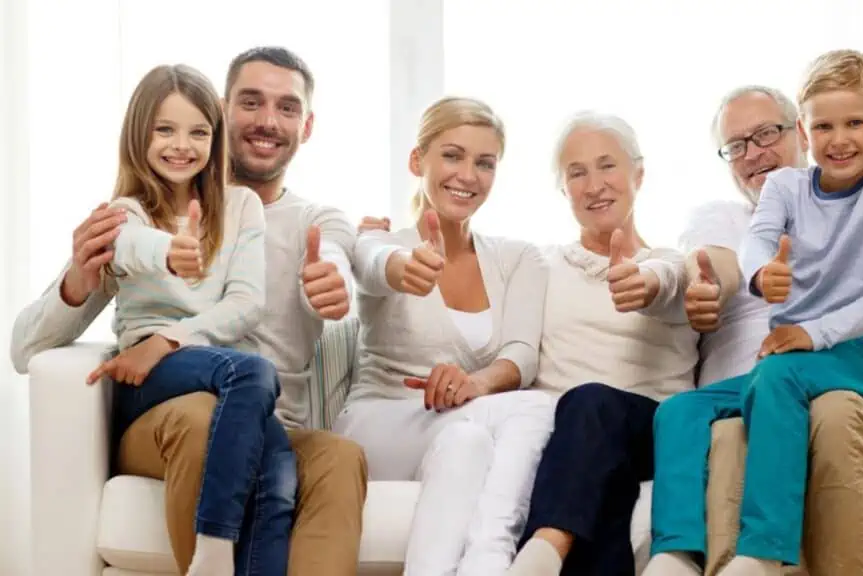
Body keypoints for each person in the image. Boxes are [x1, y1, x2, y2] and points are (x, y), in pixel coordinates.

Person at [10, 47, 367, 576]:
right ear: (223, 111)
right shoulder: (132, 214)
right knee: (201, 416)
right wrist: (77, 283)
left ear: (306, 124)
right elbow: (25, 348)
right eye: (251, 102)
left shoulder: (312, 219)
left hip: (270, 421)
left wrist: (338, 286)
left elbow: (338, 255)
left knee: (337, 458)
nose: (268, 121)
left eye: (287, 107)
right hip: (169, 413)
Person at [647, 78, 863, 576]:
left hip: (847, 382)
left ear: (796, 134)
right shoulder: (730, 217)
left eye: (766, 134)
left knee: (826, 411)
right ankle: (679, 554)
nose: (754, 154)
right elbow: (719, 264)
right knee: (704, 416)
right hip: (768, 382)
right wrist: (744, 278)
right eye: (736, 146)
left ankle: (764, 552)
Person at [75, 62, 290, 576]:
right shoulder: (125, 211)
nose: (182, 145)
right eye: (165, 129)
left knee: (278, 466)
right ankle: (212, 552)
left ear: (215, 140)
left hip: (200, 366)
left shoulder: (240, 206)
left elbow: (246, 305)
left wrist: (168, 339)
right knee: (255, 371)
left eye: (198, 131)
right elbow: (128, 244)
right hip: (148, 380)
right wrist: (169, 250)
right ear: (139, 135)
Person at [335, 96, 553, 575]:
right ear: (418, 161)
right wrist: (402, 267)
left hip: (460, 422)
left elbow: (521, 354)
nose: (468, 175)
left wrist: (475, 383)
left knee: (468, 443)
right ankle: (492, 559)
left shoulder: (519, 258)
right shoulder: (381, 242)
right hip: (380, 423)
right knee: (538, 407)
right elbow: (373, 266)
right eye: (452, 155)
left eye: (485, 163)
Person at [504, 112, 700, 576]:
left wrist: (644, 283)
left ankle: (542, 549)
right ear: (564, 189)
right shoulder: (539, 265)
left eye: (607, 165)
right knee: (602, 487)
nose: (594, 185)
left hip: (651, 431)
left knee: (591, 402)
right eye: (577, 172)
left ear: (638, 174)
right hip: (572, 441)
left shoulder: (671, 263)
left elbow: (668, 282)